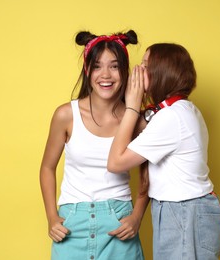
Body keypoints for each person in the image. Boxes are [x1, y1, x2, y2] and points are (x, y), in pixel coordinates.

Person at [107, 43, 220, 260]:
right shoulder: (183, 110)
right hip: (186, 209)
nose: (138, 71)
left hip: (184, 212)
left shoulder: (171, 117)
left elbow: (115, 162)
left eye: (144, 65)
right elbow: (147, 123)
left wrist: (133, 106)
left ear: (159, 73)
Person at [39, 30, 149, 260]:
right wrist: (51, 216)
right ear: (88, 71)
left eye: (115, 66)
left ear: (125, 72)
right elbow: (47, 168)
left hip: (118, 223)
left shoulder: (136, 121)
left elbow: (149, 175)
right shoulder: (65, 115)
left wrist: (137, 216)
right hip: (72, 225)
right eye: (97, 66)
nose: (105, 75)